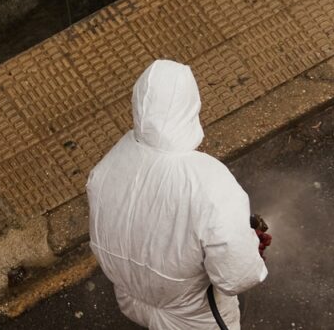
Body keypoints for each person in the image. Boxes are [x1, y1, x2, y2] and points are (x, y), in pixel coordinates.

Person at [88, 60, 271, 329]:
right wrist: (249, 248)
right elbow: (238, 276)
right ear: (190, 108)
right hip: (193, 318)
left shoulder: (109, 164)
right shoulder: (209, 183)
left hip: (132, 300)